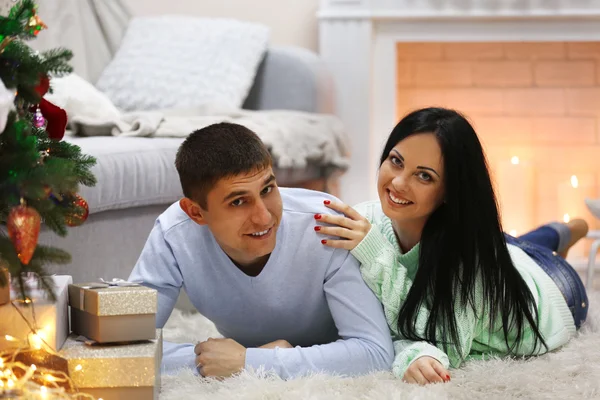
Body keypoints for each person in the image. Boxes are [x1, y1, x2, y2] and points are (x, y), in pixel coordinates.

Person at [314, 107, 590, 385]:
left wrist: (377, 254)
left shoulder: (469, 258)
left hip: (554, 288)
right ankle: (555, 232)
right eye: (396, 161)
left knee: (512, 249)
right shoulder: (369, 220)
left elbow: (446, 343)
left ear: (450, 190)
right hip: (504, 253)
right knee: (507, 243)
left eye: (424, 176)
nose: (397, 183)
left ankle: (561, 232)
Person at [128, 122, 394, 380]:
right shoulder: (173, 235)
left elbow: (375, 353)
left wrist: (251, 362)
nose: (264, 217)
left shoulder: (327, 225)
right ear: (196, 212)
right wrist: (223, 360)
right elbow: (125, 345)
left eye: (267, 189)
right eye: (239, 201)